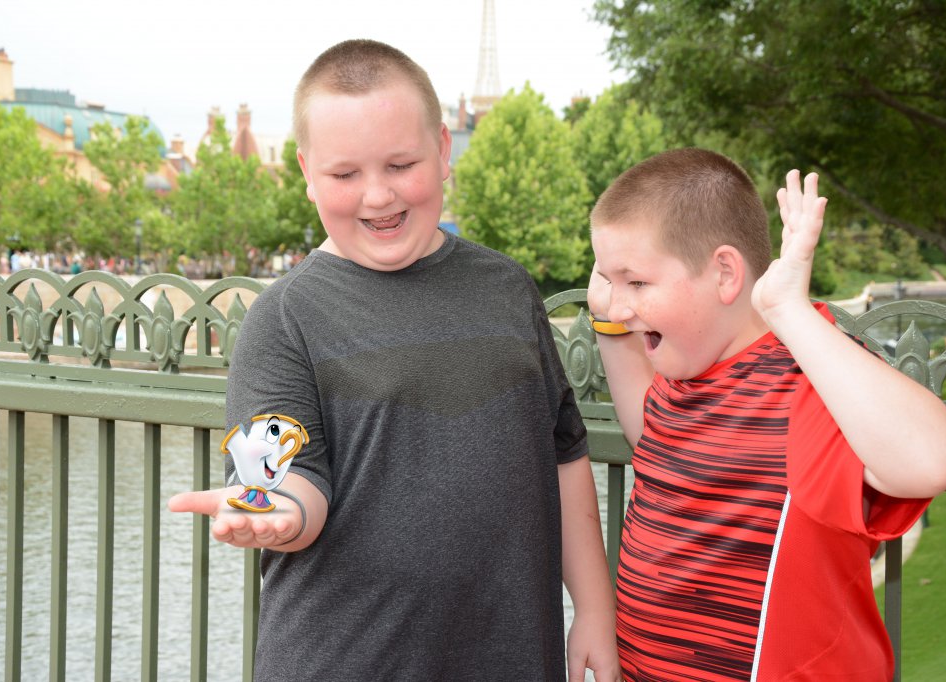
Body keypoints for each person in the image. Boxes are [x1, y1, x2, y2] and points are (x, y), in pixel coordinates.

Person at [169, 39, 620, 681]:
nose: (377, 195)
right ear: (306, 172)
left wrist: (594, 610)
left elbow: (564, 455)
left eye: (401, 164)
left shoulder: (508, 289)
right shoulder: (284, 319)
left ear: (443, 150)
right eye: (345, 175)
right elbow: (290, 480)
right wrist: (277, 515)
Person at [586, 147, 946, 680]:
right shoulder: (677, 380)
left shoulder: (809, 383)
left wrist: (791, 312)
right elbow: (643, 433)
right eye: (610, 281)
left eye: (637, 282)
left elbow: (930, 461)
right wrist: (607, 310)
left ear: (725, 274)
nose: (618, 305)